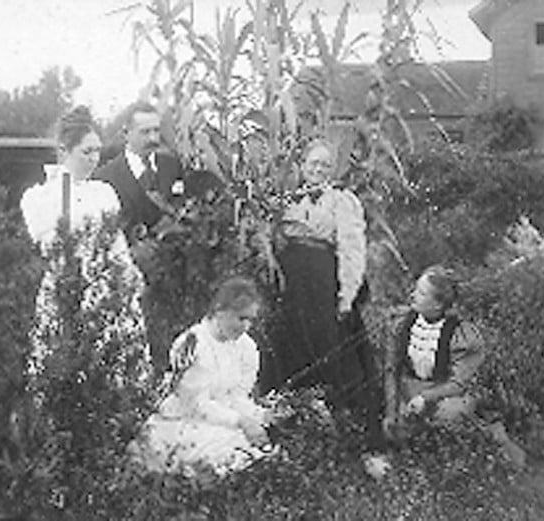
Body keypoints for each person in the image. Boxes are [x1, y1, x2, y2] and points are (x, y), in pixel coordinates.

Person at [20, 106, 147, 374]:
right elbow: (51, 245)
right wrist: (62, 180)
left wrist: (129, 276)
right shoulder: (38, 197)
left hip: (107, 289)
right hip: (66, 288)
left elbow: (117, 245)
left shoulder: (104, 192)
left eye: (97, 151)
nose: (93, 159)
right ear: (64, 151)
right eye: (86, 152)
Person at [264, 138, 379, 414]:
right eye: (314, 163)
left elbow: (352, 250)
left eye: (326, 165)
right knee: (289, 346)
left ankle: (337, 416)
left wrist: (346, 296)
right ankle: (293, 413)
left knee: (327, 345)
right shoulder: (285, 200)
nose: (319, 169)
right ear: (302, 166)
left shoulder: (341, 200)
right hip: (292, 287)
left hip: (323, 284)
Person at [127, 276, 275, 477]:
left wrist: (256, 415)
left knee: (260, 445)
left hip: (223, 418)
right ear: (220, 311)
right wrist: (240, 422)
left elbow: (237, 397)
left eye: (251, 319)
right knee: (229, 450)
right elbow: (196, 404)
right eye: (241, 318)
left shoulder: (247, 347)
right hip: (185, 419)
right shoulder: (193, 342)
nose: (246, 326)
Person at [382, 265, 485, 437]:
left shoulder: (461, 334)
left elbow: (458, 383)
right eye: (415, 289)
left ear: (437, 304)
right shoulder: (401, 325)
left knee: (451, 413)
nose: (412, 295)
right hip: (408, 390)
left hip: (443, 394)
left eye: (421, 293)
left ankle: (440, 438)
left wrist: (426, 397)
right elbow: (391, 370)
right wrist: (391, 410)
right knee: (394, 427)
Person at [92, 101, 185, 248]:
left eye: (156, 130)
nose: (153, 139)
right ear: (126, 133)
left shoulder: (173, 166)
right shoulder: (104, 178)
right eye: (145, 132)